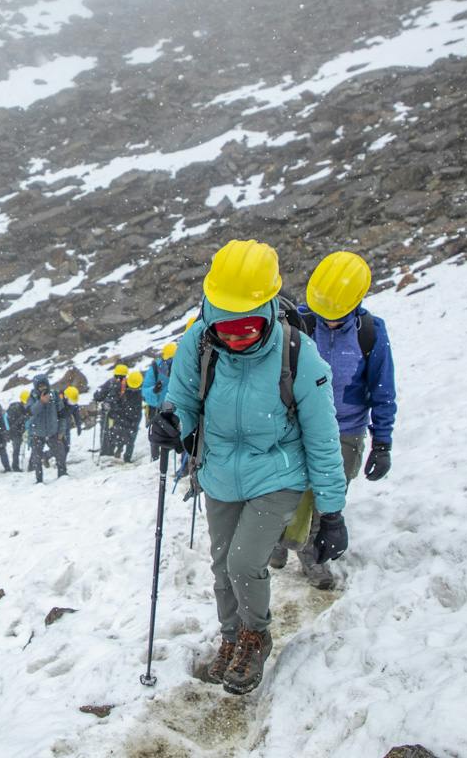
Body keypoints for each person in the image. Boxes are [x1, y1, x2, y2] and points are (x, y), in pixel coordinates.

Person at [149, 239, 349, 696]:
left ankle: (256, 636)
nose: (236, 337)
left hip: (277, 473)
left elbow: (322, 438)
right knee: (221, 567)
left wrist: (332, 513)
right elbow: (181, 401)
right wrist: (171, 423)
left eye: (248, 327)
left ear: (267, 309)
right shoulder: (198, 344)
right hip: (219, 472)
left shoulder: (299, 355)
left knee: (243, 561)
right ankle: (232, 637)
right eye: (227, 327)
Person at [277, 251, 397, 589]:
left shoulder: (370, 333)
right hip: (297, 425)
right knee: (286, 490)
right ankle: (278, 540)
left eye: (336, 316)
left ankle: (312, 558)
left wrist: (382, 442)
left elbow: (382, 388)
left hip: (346, 430)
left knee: (325, 500)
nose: (329, 321)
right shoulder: (299, 322)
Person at [26, 375, 66, 483]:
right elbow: (30, 412)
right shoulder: (32, 397)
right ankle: (39, 480)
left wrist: (62, 431)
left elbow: (62, 414)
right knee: (36, 458)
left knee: (60, 453)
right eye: (40, 386)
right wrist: (41, 402)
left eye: (44, 386)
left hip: (53, 431)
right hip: (37, 433)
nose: (43, 388)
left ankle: (63, 475)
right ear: (36, 387)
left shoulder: (54, 395)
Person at [101, 372, 143, 462]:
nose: (133, 389)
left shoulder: (141, 387)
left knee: (131, 437)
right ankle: (119, 448)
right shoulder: (120, 386)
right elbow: (112, 397)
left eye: (135, 388)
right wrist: (108, 404)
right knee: (121, 434)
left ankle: (127, 458)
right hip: (123, 413)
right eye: (132, 387)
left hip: (135, 414)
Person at [142, 342, 178, 427]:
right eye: (168, 361)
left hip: (177, 411)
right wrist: (154, 391)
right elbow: (144, 391)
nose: (170, 366)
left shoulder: (184, 367)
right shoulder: (155, 368)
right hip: (158, 412)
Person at [6, 391, 30, 471]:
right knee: (16, 450)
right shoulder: (16, 409)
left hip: (19, 432)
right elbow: (14, 424)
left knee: (16, 450)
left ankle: (15, 466)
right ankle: (15, 466)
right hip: (16, 433)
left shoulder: (21, 408)